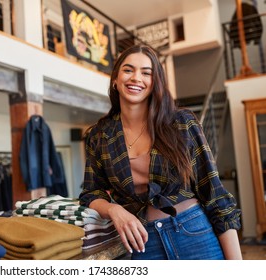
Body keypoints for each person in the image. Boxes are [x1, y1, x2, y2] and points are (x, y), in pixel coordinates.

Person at [79, 44, 242, 260]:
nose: (136, 77)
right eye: (128, 70)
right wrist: (114, 210)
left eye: (146, 73)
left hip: (194, 232)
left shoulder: (182, 123)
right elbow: (91, 193)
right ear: (115, 80)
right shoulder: (99, 136)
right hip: (142, 241)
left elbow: (214, 193)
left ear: (155, 83)